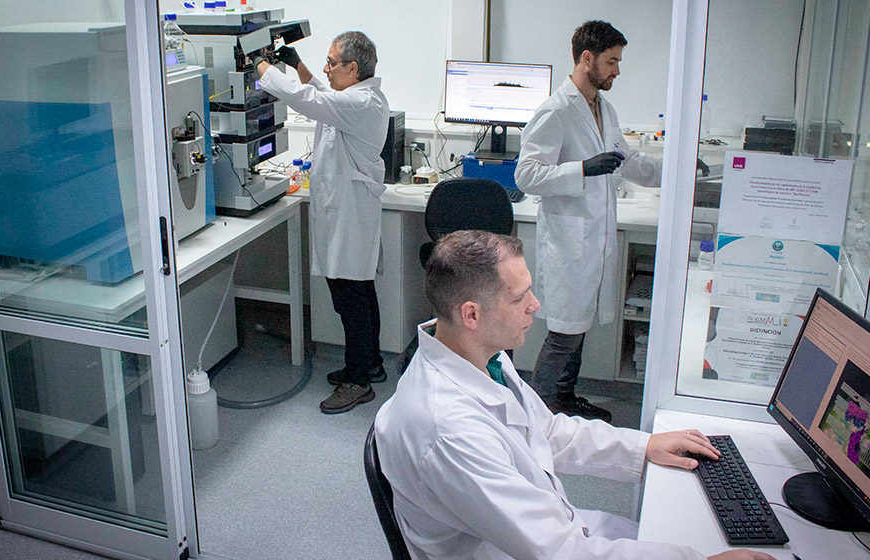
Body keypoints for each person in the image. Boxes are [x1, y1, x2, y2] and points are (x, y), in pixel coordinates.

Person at [375, 230, 773, 560]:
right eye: (519, 298)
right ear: (472, 315)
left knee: (676, 535)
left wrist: (643, 447)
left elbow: (546, 432)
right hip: (510, 551)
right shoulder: (448, 429)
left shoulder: (479, 354)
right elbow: (561, 553)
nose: (535, 305)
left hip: (537, 534)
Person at [514, 21, 665, 422]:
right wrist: (581, 169)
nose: (617, 69)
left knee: (577, 331)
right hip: (568, 242)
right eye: (612, 61)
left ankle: (562, 398)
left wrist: (679, 171)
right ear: (587, 58)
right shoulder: (555, 111)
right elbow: (525, 175)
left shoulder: (605, 108)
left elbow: (628, 162)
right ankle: (535, 414)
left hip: (593, 241)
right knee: (564, 335)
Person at [255, 32, 389, 414]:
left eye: (332, 62)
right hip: (347, 212)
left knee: (351, 301)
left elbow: (312, 100)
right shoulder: (355, 97)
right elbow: (320, 93)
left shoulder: (361, 102)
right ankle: (369, 364)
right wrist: (297, 65)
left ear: (353, 68)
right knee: (359, 293)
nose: (327, 68)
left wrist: (262, 66)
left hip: (349, 214)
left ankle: (358, 381)